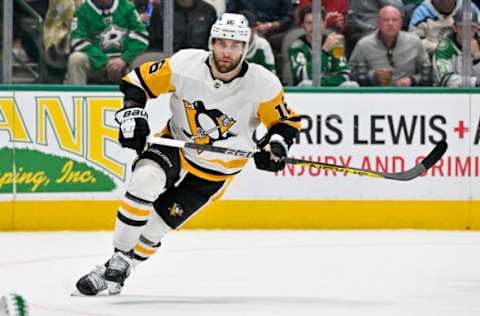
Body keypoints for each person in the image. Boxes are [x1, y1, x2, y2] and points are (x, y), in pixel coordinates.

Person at [74, 13, 300, 296]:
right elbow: (136, 83)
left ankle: (116, 270)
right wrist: (133, 114)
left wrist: (276, 146)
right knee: (145, 180)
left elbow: (285, 123)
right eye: (222, 43)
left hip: (217, 170)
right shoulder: (185, 64)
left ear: (245, 48)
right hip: (175, 145)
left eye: (235, 45)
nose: (227, 51)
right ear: (212, 43)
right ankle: (119, 255)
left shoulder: (262, 83)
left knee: (155, 228)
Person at [64, 0, 149, 84]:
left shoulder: (127, 6)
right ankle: (78, 96)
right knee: (76, 59)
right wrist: (105, 61)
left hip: (126, 60)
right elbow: (77, 40)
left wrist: (124, 59)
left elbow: (141, 36)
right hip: (96, 61)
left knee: (144, 62)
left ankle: (139, 96)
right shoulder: (82, 10)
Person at [349, 5, 431, 86]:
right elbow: (350, 73)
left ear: (401, 23)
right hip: (374, 94)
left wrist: (412, 80)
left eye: (394, 20)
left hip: (407, 94)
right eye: (385, 20)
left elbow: (428, 73)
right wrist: (372, 76)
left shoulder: (414, 42)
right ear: (378, 22)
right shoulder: (364, 44)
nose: (390, 23)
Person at [288, 5, 356, 87]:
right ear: (302, 25)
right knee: (306, 84)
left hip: (333, 92)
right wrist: (324, 51)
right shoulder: (296, 47)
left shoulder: (335, 45)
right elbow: (303, 76)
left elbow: (346, 75)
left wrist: (322, 83)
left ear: (324, 23)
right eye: (309, 23)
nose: (314, 27)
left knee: (351, 85)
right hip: (307, 95)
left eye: (318, 22)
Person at [409, 0, 480, 56]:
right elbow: (414, 42)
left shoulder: (467, 6)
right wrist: (442, 49)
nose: (446, 1)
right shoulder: (421, 13)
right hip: (434, 57)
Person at [433, 9, 480, 86]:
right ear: (455, 27)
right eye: (463, 27)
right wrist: (475, 82)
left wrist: (477, 56)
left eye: (472, 27)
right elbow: (445, 79)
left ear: (477, 27)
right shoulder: (444, 48)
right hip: (450, 96)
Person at [148, 0, 217, 52]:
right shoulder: (161, 10)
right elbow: (154, 42)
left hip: (200, 60)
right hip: (169, 60)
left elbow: (213, 41)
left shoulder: (208, 10)